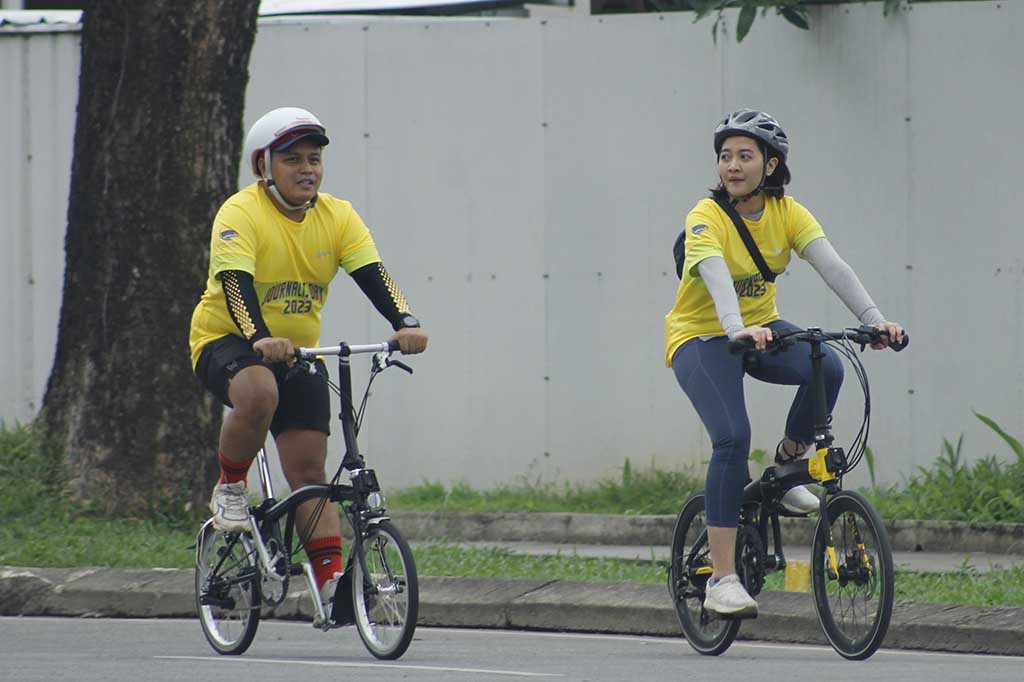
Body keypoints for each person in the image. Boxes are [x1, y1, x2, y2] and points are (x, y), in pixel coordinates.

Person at [189, 106, 428, 619]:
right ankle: (230, 487)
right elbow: (236, 285)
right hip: (226, 340)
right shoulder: (240, 213)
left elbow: (373, 275)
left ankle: (333, 587)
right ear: (263, 167)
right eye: (292, 159)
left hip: (298, 352)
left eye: (314, 159)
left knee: (312, 477)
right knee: (259, 393)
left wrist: (406, 321)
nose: (306, 169)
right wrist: (259, 336)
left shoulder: (337, 216)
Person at [664, 109, 903, 617]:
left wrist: (876, 320)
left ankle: (786, 467)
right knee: (731, 438)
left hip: (761, 329)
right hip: (703, 338)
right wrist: (735, 328)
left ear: (771, 166)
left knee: (829, 366)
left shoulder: (790, 213)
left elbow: (832, 265)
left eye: (745, 156)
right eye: (726, 156)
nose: (732, 165)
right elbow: (714, 275)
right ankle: (722, 579)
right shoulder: (704, 217)